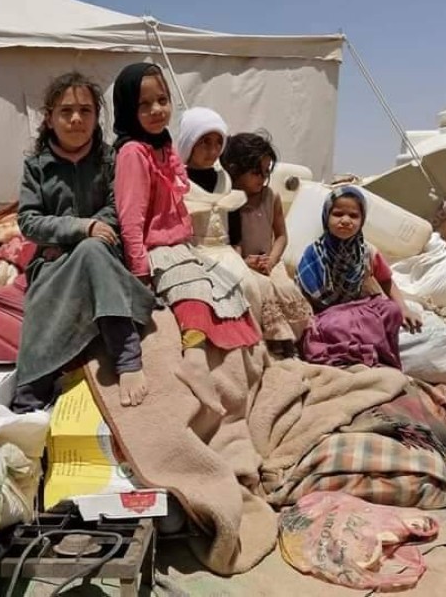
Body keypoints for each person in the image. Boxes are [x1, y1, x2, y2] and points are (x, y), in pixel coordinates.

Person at [112, 63, 260, 414]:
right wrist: (140, 272)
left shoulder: (163, 145)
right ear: (128, 109)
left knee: (228, 287)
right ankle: (193, 360)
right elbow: (131, 218)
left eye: (162, 100)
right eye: (144, 104)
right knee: (192, 287)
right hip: (156, 248)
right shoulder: (133, 152)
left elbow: (178, 186)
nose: (156, 110)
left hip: (180, 244)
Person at [11, 71, 154, 412]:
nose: (76, 119)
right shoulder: (37, 167)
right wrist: (80, 227)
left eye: (85, 110)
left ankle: (127, 359)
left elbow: (119, 208)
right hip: (54, 261)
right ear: (50, 118)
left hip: (103, 254)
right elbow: (28, 221)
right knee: (61, 281)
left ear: (96, 116)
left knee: (92, 251)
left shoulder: (110, 159)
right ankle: (32, 393)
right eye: (66, 111)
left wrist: (92, 232)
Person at [296, 184, 422, 369]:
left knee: (391, 310)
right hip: (328, 315)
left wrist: (404, 309)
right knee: (331, 327)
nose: (346, 220)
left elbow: (386, 280)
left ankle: (368, 349)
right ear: (326, 217)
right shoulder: (313, 254)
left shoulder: (367, 251)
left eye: (354, 216)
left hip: (359, 308)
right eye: (338, 214)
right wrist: (308, 320)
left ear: (362, 221)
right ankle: (364, 350)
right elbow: (302, 294)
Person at [217, 131, 313, 352]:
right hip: (243, 263)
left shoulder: (271, 197)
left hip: (270, 261)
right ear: (235, 170)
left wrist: (271, 260)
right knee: (263, 291)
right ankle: (274, 340)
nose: (262, 177)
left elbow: (281, 236)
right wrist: (244, 263)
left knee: (286, 288)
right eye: (255, 172)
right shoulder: (228, 201)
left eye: (266, 171)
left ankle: (296, 338)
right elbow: (224, 242)